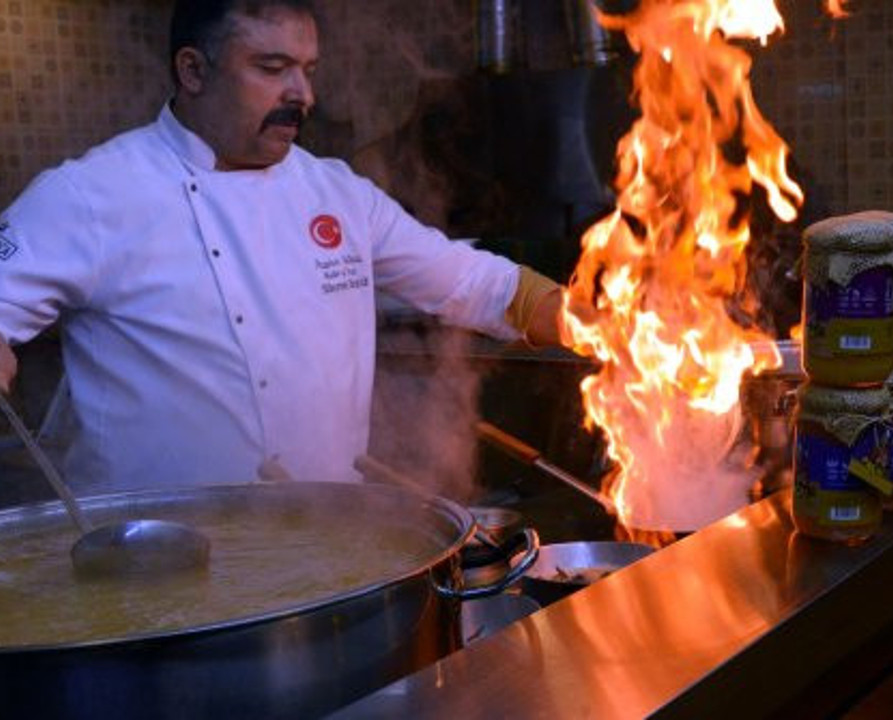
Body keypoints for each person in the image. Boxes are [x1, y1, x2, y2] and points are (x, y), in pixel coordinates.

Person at [0, 0, 564, 493]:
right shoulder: (90, 195)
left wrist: (591, 320)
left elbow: (475, 283)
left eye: (308, 70)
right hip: (159, 561)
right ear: (193, 70)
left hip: (329, 544)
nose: (304, 95)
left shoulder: (338, 193)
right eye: (272, 68)